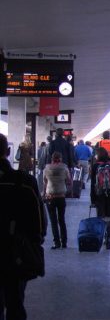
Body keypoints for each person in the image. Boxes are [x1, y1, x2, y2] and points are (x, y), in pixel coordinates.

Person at [0, 133, 47, 320]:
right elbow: (39, 221)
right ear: (9, 151)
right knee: (15, 302)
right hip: (15, 253)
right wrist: (36, 240)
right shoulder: (25, 182)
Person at [90, 148, 110, 250]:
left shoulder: (95, 166)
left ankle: (102, 236)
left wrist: (93, 199)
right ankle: (109, 238)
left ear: (98, 155)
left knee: (101, 217)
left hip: (100, 195)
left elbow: (93, 184)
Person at [43, 152, 71, 250]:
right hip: (61, 196)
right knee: (61, 220)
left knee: (53, 221)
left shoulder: (46, 169)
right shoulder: (64, 168)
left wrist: (44, 194)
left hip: (50, 197)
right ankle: (64, 242)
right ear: (60, 158)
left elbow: (45, 182)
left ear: (52, 158)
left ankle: (56, 242)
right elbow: (69, 181)